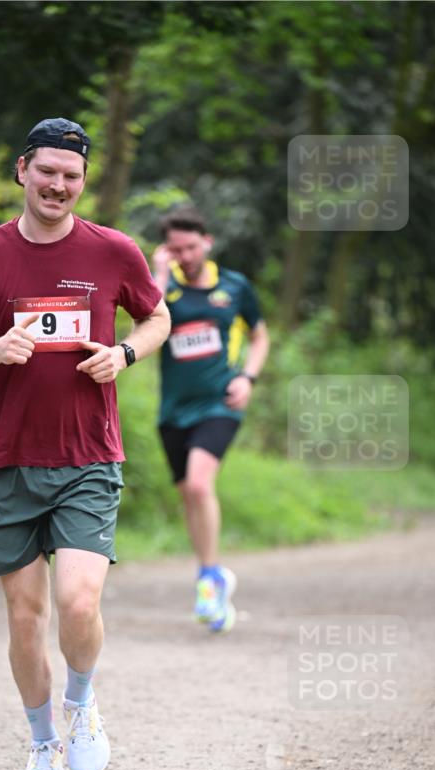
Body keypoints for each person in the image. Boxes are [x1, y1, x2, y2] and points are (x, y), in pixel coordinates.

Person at [0, 117, 170, 770]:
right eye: (47, 172)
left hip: (86, 457)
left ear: (82, 181)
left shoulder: (113, 251)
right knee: (24, 616)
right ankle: (42, 747)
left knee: (76, 601)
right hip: (8, 459)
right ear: (22, 171)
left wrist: (124, 353)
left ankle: (81, 701)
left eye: (71, 176)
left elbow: (156, 317)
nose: (58, 185)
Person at [152, 207, 269, 633]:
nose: (185, 255)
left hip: (220, 403)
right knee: (189, 495)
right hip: (173, 411)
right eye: (175, 249)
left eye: (190, 246)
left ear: (207, 241)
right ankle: (212, 573)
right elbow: (144, 321)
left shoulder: (235, 287)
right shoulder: (164, 290)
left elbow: (260, 335)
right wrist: (160, 276)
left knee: (201, 484)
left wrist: (248, 377)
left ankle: (208, 578)